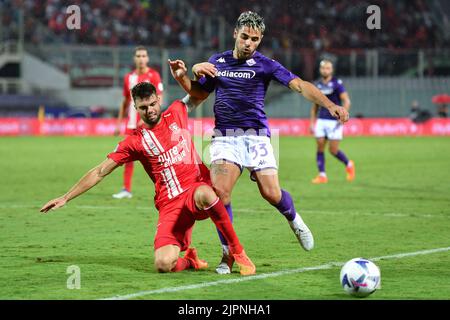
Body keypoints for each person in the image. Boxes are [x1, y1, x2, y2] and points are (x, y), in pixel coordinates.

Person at [168, 11, 349, 275]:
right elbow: (199, 93)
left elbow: (299, 85)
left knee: (271, 193)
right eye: (244, 37)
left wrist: (330, 104)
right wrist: (184, 75)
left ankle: (294, 219)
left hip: (257, 135)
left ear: (260, 39)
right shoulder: (217, 61)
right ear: (235, 34)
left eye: (254, 39)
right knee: (220, 193)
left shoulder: (266, 64)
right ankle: (228, 254)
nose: (248, 43)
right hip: (225, 136)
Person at [40, 79, 256, 276]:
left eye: (152, 104)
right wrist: (66, 197)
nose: (149, 110)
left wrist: (184, 75)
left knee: (207, 193)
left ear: (158, 100)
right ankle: (190, 261)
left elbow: (200, 94)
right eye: (143, 107)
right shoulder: (134, 142)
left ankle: (237, 252)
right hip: (170, 204)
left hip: (196, 190)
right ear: (135, 108)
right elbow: (99, 171)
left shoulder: (176, 111)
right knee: (163, 264)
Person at [112, 46, 164, 199]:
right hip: (131, 125)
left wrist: (147, 117)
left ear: (147, 58)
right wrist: (118, 123)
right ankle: (126, 189)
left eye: (143, 56)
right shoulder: (129, 77)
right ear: (135, 59)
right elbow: (125, 101)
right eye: (138, 56)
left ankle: (164, 187)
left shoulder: (154, 75)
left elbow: (159, 98)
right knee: (127, 156)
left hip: (149, 125)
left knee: (156, 156)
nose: (141, 59)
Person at [309, 60, 354, 184]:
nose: (325, 70)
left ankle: (349, 164)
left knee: (333, 150)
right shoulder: (317, 85)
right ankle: (322, 175)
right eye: (323, 68)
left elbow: (346, 101)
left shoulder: (337, 84)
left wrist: (343, 115)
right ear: (320, 69)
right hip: (321, 120)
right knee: (320, 147)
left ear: (332, 70)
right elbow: (315, 106)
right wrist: (312, 122)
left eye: (328, 68)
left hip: (334, 121)